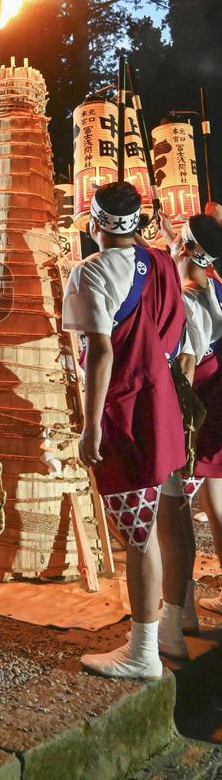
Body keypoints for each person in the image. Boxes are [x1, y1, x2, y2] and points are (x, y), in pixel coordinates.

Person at [62, 181, 193, 679]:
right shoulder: (161, 263)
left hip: (125, 410)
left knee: (137, 535)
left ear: (94, 224)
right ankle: (166, 628)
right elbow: (175, 330)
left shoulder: (91, 272)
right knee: (158, 524)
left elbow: (100, 351)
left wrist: (91, 426)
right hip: (160, 403)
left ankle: (142, 652)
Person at [163, 211, 222, 616]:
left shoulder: (187, 298)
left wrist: (177, 419)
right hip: (218, 395)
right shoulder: (214, 285)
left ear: (184, 249)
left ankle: (180, 611)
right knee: (216, 498)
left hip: (201, 403)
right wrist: (175, 240)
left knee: (180, 505)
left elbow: (186, 363)